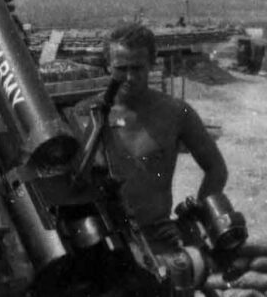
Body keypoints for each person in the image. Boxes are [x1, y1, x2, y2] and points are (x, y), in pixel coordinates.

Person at [77, 22, 228, 251]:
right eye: (121, 68)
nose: (129, 77)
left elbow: (216, 168)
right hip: (102, 242)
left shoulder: (176, 113)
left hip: (158, 240)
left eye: (137, 68)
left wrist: (190, 222)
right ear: (108, 66)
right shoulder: (85, 114)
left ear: (152, 64)